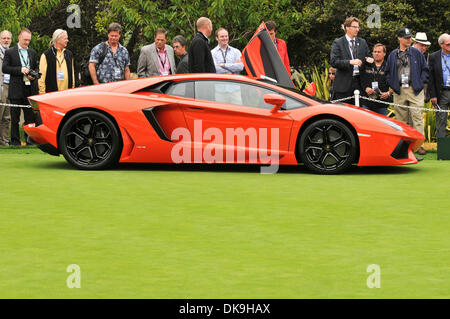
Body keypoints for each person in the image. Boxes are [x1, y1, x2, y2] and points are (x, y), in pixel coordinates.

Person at [385, 28, 429, 156]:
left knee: (417, 117)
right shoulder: (393, 54)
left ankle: (419, 145)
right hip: (399, 90)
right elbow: (387, 72)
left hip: (414, 89)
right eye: (406, 37)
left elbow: (425, 70)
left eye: (410, 37)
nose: (408, 40)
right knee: (401, 119)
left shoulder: (417, 53)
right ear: (399, 38)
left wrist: (420, 84)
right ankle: (403, 145)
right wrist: (393, 84)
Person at [2, 28, 38, 146]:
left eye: (28, 40)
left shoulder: (32, 52)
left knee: (29, 117)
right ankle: (15, 141)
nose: (27, 42)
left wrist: (34, 76)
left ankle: (29, 140)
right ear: (19, 38)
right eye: (25, 40)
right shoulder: (10, 52)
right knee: (15, 117)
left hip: (29, 88)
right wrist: (19, 70)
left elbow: (36, 68)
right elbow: (5, 68)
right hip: (15, 88)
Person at [330, 17, 374, 105]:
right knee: (343, 114)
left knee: (358, 115)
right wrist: (350, 62)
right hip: (343, 86)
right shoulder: (338, 43)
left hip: (359, 84)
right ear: (347, 27)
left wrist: (371, 60)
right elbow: (334, 62)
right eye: (355, 27)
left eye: (358, 27)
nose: (357, 29)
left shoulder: (362, 42)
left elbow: (368, 59)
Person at [38, 29, 75, 94]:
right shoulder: (46, 55)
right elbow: (41, 77)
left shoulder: (69, 54)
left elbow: (72, 74)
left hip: (67, 94)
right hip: (51, 94)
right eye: (65, 39)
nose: (67, 40)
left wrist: (72, 89)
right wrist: (42, 93)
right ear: (57, 40)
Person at [429, 33, 450, 139]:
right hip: (442, 92)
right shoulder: (433, 57)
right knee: (441, 122)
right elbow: (430, 78)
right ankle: (442, 152)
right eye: (448, 44)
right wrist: (433, 95)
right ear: (441, 45)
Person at [360, 43, 391, 115]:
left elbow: (393, 82)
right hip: (367, 102)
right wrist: (365, 88)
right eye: (375, 52)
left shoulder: (388, 66)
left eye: (379, 52)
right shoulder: (366, 64)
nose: (376, 54)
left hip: (382, 103)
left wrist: (388, 93)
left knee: (381, 125)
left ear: (384, 54)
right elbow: (360, 78)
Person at [0, 30, 12, 146]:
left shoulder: (12, 53)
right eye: (4, 38)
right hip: (0, 87)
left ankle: (4, 142)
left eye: (8, 38)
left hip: (10, 88)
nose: (6, 40)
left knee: (6, 117)